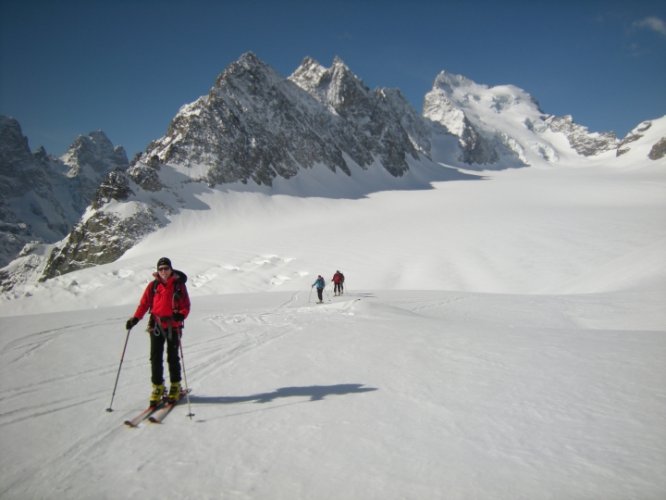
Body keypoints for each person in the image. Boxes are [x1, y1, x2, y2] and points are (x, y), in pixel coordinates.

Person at [125, 257, 191, 406]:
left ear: (171, 269)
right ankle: (158, 387)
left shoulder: (179, 286)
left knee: (172, 357)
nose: (163, 272)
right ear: (157, 270)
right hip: (156, 325)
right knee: (155, 357)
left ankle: (175, 385)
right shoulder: (153, 286)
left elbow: (185, 304)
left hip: (173, 326)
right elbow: (144, 304)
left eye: (166, 268)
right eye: (160, 269)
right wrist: (135, 319)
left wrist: (181, 314)